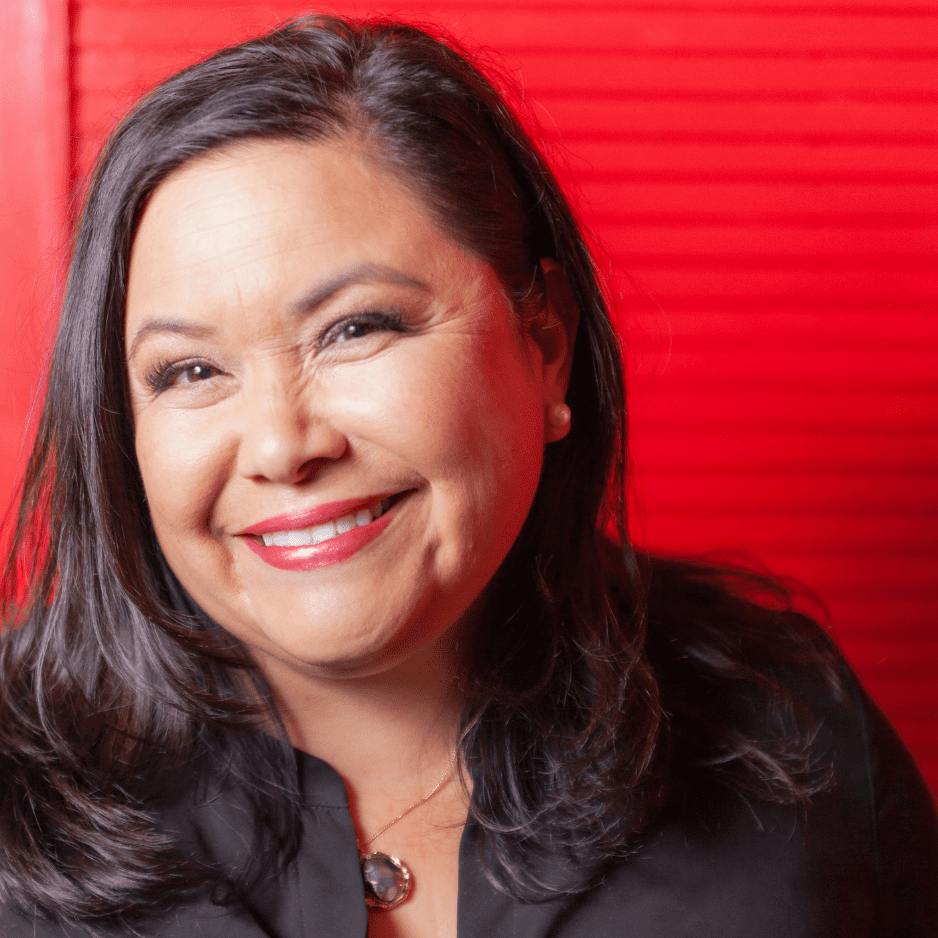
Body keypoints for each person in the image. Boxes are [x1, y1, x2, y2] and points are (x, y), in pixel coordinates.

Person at [0, 15, 935, 938]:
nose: (282, 447)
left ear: (546, 345)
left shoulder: (787, 723)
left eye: (358, 327)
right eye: (190, 372)